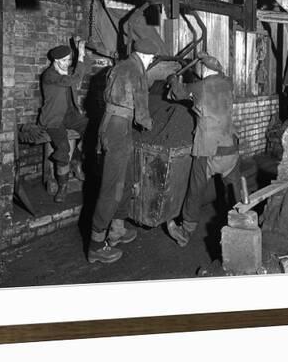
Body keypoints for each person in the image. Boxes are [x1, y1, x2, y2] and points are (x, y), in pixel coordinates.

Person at [87, 38, 158, 264]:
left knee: (126, 181)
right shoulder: (136, 71)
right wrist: (149, 125)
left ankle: (117, 229)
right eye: (152, 60)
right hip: (118, 128)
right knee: (112, 189)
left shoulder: (120, 66)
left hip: (116, 125)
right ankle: (96, 246)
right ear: (147, 58)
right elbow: (142, 113)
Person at [166, 52, 242, 247]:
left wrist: (174, 79)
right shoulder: (228, 83)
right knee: (234, 192)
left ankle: (185, 232)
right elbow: (221, 73)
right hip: (230, 149)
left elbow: (177, 93)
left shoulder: (200, 86)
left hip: (208, 150)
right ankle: (241, 227)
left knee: (195, 191)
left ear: (203, 69)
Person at [39, 39, 88, 203]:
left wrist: (81, 55)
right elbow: (74, 79)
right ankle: (62, 186)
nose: (68, 64)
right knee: (63, 148)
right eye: (65, 61)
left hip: (70, 114)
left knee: (92, 129)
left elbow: (78, 72)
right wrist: (80, 56)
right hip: (53, 118)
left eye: (69, 60)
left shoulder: (66, 70)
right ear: (56, 61)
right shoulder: (50, 75)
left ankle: (76, 159)